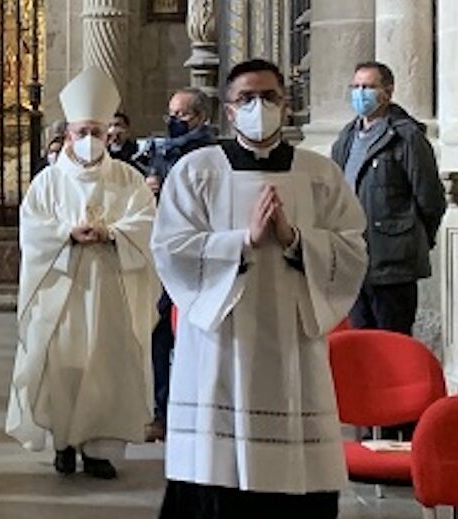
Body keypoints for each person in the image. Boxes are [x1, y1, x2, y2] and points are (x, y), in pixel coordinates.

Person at [152, 59, 368, 518]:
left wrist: (295, 240)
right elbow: (171, 249)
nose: (259, 107)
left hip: (292, 338)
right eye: (246, 98)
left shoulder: (319, 174)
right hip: (221, 342)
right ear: (228, 111)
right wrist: (243, 242)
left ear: (286, 105)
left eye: (270, 97)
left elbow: (351, 249)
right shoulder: (197, 170)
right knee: (218, 468)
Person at [6, 66, 158, 480]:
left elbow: (146, 223)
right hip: (61, 292)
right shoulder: (48, 182)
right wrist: (66, 233)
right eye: (80, 132)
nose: (88, 140)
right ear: (68, 134)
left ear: (108, 132)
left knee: (105, 369)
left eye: (96, 131)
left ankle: (97, 450)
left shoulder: (128, 178)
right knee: (63, 366)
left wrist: (112, 233)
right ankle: (62, 443)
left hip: (112, 290)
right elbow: (31, 229)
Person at [331, 61, 446, 336]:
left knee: (392, 342)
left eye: (369, 87)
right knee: (361, 344)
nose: (361, 94)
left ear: (388, 91)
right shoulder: (346, 137)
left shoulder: (406, 137)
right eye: (356, 87)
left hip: (393, 265)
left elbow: (430, 199)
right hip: (355, 262)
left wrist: (411, 240)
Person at [142, 87, 217, 443]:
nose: (174, 121)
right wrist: (151, 189)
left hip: (199, 255)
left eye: (182, 115)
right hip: (165, 254)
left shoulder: (213, 154)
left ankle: (201, 410)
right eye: (171, 113)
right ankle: (162, 411)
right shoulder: (160, 152)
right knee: (160, 334)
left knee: (199, 334)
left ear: (201, 117)